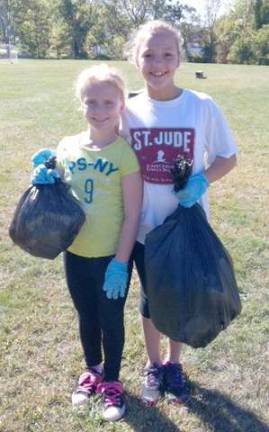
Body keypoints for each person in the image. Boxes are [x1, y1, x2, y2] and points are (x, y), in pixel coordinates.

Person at [123, 20, 237, 406]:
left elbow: (227, 156)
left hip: (186, 227)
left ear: (180, 59)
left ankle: (174, 364)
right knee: (151, 298)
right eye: (149, 55)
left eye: (167, 55)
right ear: (136, 59)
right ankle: (153, 364)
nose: (158, 63)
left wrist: (201, 181)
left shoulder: (200, 105)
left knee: (180, 294)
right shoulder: (128, 110)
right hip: (143, 228)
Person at [31, 65, 142, 421]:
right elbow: (58, 197)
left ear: (121, 105)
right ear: (81, 104)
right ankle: (92, 370)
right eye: (91, 102)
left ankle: (112, 380)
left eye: (108, 102)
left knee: (111, 319)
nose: (99, 109)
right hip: (75, 253)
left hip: (110, 256)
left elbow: (132, 215)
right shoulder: (67, 146)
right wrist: (44, 178)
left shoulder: (124, 154)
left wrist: (121, 263)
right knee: (86, 316)